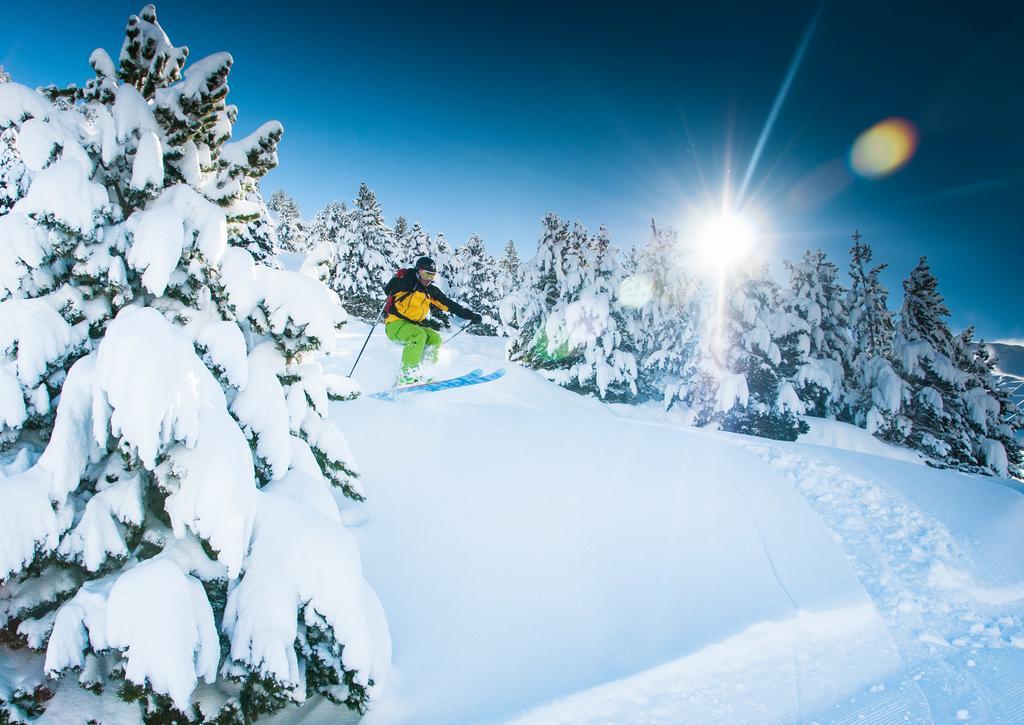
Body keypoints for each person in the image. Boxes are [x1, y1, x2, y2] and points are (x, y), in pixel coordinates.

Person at [383, 257, 482, 384]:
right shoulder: (408, 282)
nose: (428, 279)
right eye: (426, 275)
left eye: (432, 276)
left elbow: (449, 305)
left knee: (435, 338)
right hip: (394, 324)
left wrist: (470, 315)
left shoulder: (430, 291)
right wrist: (395, 283)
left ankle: (425, 373)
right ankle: (406, 376)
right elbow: (388, 290)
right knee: (418, 335)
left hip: (412, 326)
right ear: (418, 272)